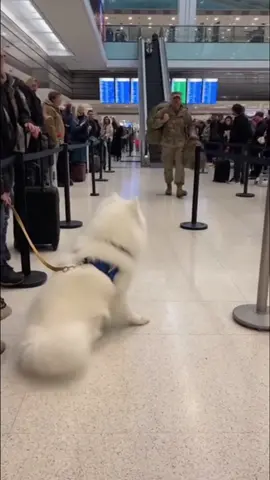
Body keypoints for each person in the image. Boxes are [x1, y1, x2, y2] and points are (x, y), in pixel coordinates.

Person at [0, 49, 40, 286]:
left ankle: (2, 261)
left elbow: (19, 113)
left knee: (5, 213)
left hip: (8, 157)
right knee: (1, 213)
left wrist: (27, 123)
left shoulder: (10, 88)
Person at [151, 92, 194, 198]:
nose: (176, 100)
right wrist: (163, 121)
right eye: (174, 98)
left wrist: (193, 136)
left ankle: (179, 188)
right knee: (167, 167)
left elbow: (190, 126)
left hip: (181, 144)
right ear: (171, 99)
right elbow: (154, 124)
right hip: (167, 143)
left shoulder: (185, 113)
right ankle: (169, 186)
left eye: (178, 98)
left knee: (180, 167)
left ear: (180, 100)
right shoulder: (164, 111)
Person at [229, 103, 253, 183]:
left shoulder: (238, 120)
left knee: (238, 161)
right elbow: (249, 133)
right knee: (242, 162)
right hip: (244, 143)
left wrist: (231, 142)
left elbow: (235, 133)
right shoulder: (245, 119)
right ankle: (243, 178)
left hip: (238, 144)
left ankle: (237, 177)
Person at [249, 111, 267, 180]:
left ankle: (256, 174)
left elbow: (258, 133)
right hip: (255, 145)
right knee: (254, 160)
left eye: (256, 116)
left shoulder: (263, 124)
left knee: (257, 160)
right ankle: (254, 173)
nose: (255, 118)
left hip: (258, 145)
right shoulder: (259, 124)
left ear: (259, 117)